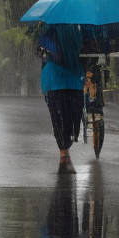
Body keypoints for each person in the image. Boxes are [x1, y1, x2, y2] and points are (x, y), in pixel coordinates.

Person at [38, 24, 84, 173]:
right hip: (56, 80)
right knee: (59, 115)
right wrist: (55, 49)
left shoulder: (77, 30)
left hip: (74, 79)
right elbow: (41, 40)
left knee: (74, 116)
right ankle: (64, 152)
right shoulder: (52, 28)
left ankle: (66, 147)